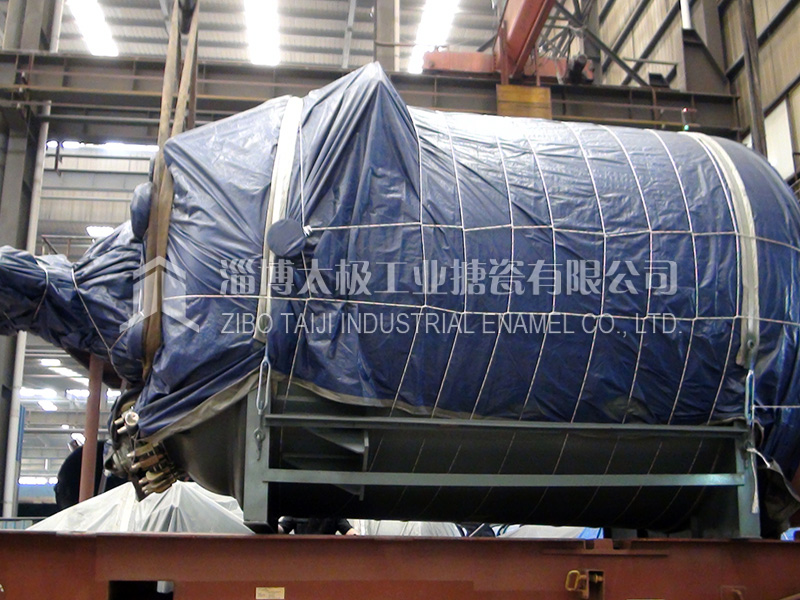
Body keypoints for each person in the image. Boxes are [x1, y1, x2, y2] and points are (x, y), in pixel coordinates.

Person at [277, 516, 357, 535]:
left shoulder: (334, 512)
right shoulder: (297, 510)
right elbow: (282, 528)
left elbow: (348, 530)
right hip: (301, 555)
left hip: (327, 557)